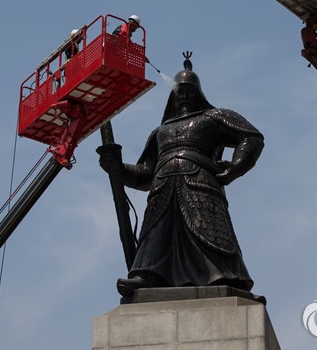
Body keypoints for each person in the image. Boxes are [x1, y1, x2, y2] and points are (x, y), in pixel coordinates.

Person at [99, 54, 265, 297]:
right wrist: (118, 169)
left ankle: (220, 276)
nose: (184, 96)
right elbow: (145, 173)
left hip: (199, 183)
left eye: (189, 91)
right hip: (162, 187)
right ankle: (146, 275)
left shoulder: (213, 117)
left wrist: (237, 166)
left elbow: (251, 137)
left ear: (198, 94)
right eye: (180, 92)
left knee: (208, 232)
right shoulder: (160, 131)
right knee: (156, 235)